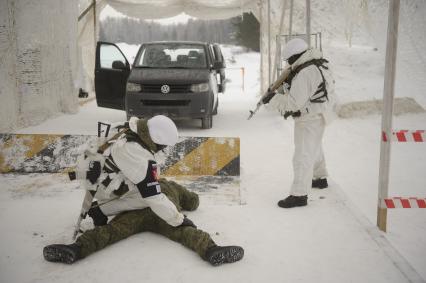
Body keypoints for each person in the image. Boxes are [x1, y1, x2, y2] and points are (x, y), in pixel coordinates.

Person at [43, 178, 244, 266]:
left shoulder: (139, 184)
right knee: (185, 232)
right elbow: (194, 202)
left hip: (135, 211)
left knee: (112, 231)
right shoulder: (171, 185)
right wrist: (183, 196)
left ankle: (77, 249)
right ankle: (211, 251)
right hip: (164, 214)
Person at [81, 115, 192, 228]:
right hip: (101, 185)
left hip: (91, 170)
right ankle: (100, 211)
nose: (163, 149)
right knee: (145, 197)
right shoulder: (136, 153)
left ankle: (101, 208)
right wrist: (178, 220)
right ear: (157, 140)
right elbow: (153, 196)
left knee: (147, 187)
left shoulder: (132, 128)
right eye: (163, 146)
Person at [264, 38, 337, 208]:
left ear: (295, 56)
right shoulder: (319, 63)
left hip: (310, 117)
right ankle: (320, 178)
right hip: (321, 112)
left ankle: (299, 194)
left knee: (302, 156)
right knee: (315, 147)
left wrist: (273, 99)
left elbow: (293, 103)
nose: (289, 63)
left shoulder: (306, 72)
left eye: (289, 60)